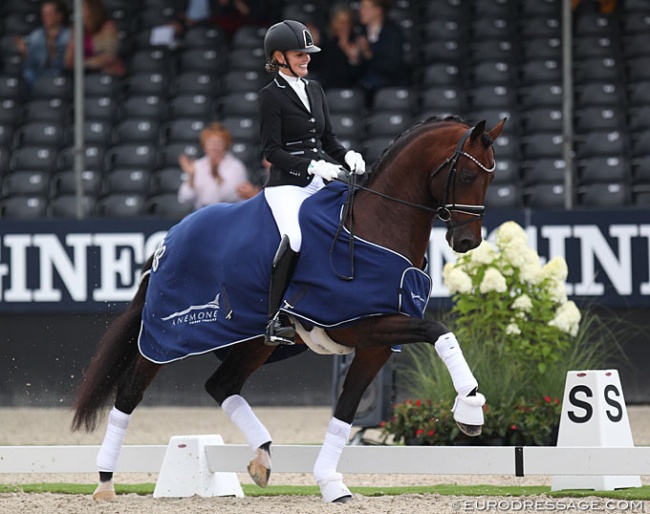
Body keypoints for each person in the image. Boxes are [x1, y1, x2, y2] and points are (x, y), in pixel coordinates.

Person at [259, 20, 367, 345]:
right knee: (294, 238)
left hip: (319, 179)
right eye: (299, 54)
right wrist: (312, 166)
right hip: (286, 185)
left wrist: (347, 156)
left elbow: (328, 138)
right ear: (279, 57)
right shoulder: (270, 96)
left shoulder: (315, 89)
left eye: (308, 54)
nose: (306, 59)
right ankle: (275, 318)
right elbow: (272, 151)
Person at [177, 122, 251, 209]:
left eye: (219, 143)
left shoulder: (236, 166)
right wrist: (191, 177)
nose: (214, 147)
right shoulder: (198, 165)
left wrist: (216, 176)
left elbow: (234, 196)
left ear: (225, 145)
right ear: (204, 145)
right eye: (210, 143)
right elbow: (185, 197)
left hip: (228, 212)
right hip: (202, 212)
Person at [356, 0, 408, 106]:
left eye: (365, 8)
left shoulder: (393, 33)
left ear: (377, 10)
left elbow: (391, 66)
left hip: (387, 90)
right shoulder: (358, 32)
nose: (360, 11)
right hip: (363, 92)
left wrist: (369, 54)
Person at [14, 0, 71, 90]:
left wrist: (56, 54)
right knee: (27, 74)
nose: (45, 18)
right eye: (44, 14)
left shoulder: (68, 36)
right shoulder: (36, 36)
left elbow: (69, 65)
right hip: (40, 75)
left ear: (59, 16)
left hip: (60, 75)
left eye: (49, 14)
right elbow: (31, 64)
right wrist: (25, 53)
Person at [64, 0, 125, 77]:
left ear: (93, 11)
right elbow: (69, 63)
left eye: (83, 9)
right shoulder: (77, 29)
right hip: (82, 73)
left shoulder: (108, 28)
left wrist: (82, 64)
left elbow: (109, 57)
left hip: (105, 72)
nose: (80, 13)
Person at [308, 4, 362, 90]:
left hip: (350, 89)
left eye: (346, 23)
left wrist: (353, 58)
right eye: (340, 22)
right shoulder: (324, 40)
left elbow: (358, 75)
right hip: (326, 87)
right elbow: (312, 67)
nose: (343, 26)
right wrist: (314, 46)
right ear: (333, 22)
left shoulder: (356, 41)